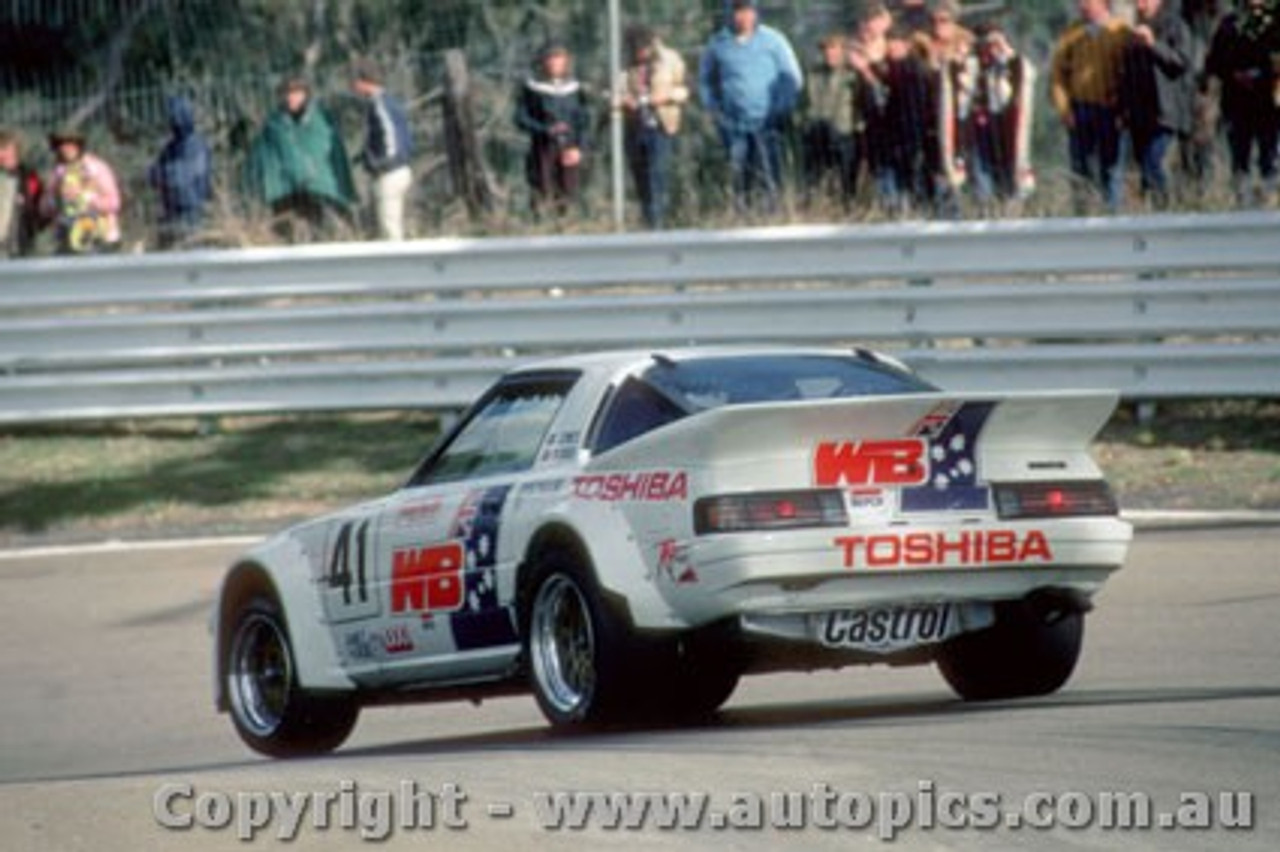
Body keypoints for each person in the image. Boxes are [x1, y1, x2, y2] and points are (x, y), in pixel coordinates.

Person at [699, 0, 804, 216]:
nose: (743, 17)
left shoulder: (773, 41)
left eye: (747, 11)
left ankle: (772, 219)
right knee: (739, 176)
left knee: (769, 175)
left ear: (755, 13)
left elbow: (792, 78)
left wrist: (780, 109)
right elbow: (706, 81)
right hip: (734, 125)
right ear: (730, 13)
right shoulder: (718, 44)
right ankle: (741, 220)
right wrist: (715, 111)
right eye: (738, 11)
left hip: (768, 124)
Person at [244, 77, 357, 242]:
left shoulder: (321, 121)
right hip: (284, 192)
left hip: (317, 192)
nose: (291, 98)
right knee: (287, 238)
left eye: (296, 93)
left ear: (306, 95)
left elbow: (332, 154)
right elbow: (263, 159)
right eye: (287, 93)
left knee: (319, 236)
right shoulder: (274, 125)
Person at [1052, 0, 1132, 212]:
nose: (1082, 5)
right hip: (1080, 111)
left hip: (1111, 111)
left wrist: (1124, 108)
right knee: (1081, 169)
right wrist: (1064, 110)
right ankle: (1082, 218)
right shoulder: (1072, 33)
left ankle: (1111, 217)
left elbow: (1130, 72)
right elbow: (1058, 75)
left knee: (1111, 169)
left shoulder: (1121, 32)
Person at [850, 5, 931, 214]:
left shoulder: (912, 68)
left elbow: (886, 88)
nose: (893, 49)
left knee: (905, 190)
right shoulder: (891, 67)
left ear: (906, 45)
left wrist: (867, 69)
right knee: (888, 189)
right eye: (891, 45)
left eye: (898, 45)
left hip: (907, 139)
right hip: (887, 139)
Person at [1205, 0, 1280, 205]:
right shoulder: (1230, 24)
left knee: (1270, 157)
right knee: (1240, 161)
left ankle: (1271, 203)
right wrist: (1234, 74)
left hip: (1269, 104)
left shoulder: (1275, 22)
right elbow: (1213, 62)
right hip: (1237, 103)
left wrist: (1265, 74)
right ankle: (1243, 205)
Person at [1120, 0, 1194, 207]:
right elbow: (1127, 73)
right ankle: (1149, 215)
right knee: (1142, 170)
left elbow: (1181, 63)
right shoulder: (1133, 30)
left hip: (1165, 113)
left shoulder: (1176, 26)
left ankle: (1165, 209)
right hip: (1138, 115)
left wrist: (1153, 45)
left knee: (1155, 164)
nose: (1139, 5)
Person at [618, 25, 689, 229]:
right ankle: (647, 223)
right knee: (641, 179)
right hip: (634, 128)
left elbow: (684, 89)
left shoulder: (670, 60)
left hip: (660, 127)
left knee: (657, 176)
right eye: (636, 49)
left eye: (644, 48)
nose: (641, 53)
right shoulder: (624, 64)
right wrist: (625, 100)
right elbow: (612, 90)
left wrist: (665, 97)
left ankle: (658, 224)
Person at [965, 23, 1037, 211]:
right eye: (986, 42)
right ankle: (987, 208)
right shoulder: (973, 64)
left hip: (1007, 125)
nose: (990, 47)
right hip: (982, 128)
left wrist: (1006, 54)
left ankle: (1012, 207)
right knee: (984, 178)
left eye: (994, 41)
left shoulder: (1014, 64)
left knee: (1011, 176)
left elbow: (1027, 76)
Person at [515, 43, 591, 220]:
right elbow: (520, 118)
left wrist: (579, 148)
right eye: (550, 58)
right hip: (543, 148)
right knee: (543, 189)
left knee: (569, 192)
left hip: (570, 148)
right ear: (543, 62)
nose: (554, 63)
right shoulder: (532, 88)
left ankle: (567, 226)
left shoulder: (575, 89)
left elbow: (584, 121)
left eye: (559, 58)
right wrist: (545, 129)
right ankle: (543, 227)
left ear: (566, 62)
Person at [913, 0, 975, 216]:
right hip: (927, 125)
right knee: (929, 186)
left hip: (959, 128)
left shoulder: (966, 48)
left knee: (955, 183)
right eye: (934, 21)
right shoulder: (921, 48)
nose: (938, 25)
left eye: (944, 20)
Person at [350, 58, 414, 240]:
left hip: (390, 172)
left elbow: (390, 135)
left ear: (362, 82)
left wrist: (381, 162)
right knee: (391, 223)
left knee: (390, 226)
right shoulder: (386, 102)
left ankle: (399, 266)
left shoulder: (380, 104)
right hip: (397, 169)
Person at [800, 33, 860, 210]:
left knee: (847, 180)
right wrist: (805, 122)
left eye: (834, 49)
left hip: (844, 133)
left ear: (842, 51)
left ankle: (849, 210)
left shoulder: (852, 73)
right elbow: (804, 102)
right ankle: (813, 210)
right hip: (818, 132)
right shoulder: (814, 74)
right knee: (813, 179)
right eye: (826, 49)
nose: (829, 54)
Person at [41, 128, 122, 254]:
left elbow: (115, 202)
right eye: (61, 144)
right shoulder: (57, 173)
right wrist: (57, 199)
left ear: (79, 145)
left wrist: (87, 198)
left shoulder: (96, 168)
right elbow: (44, 207)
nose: (65, 148)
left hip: (99, 240)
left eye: (70, 143)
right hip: (67, 239)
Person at [149, 96, 213, 249]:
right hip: (172, 210)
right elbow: (155, 175)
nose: (174, 122)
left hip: (192, 211)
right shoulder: (170, 148)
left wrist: (163, 174)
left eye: (177, 117)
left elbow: (186, 177)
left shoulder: (196, 145)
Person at [0, 129, 43, 258]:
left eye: (5, 148)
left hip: (21, 241)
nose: (2, 153)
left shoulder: (29, 175)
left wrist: (24, 204)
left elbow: (39, 206)